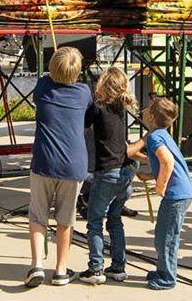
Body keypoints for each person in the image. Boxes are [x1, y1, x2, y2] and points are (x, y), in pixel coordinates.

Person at [24, 46, 91, 288]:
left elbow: (47, 81)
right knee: (66, 218)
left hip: (44, 160)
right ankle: (61, 269)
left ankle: (37, 265)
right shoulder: (84, 92)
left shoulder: (43, 88)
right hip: (74, 164)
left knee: (38, 214)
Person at [80, 67, 138, 285]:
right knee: (114, 219)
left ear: (103, 85)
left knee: (95, 220)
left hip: (107, 172)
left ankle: (96, 268)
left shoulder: (97, 108)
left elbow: (81, 132)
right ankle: (118, 266)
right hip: (125, 172)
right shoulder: (122, 108)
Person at [129, 97, 192, 290]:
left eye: (147, 108)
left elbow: (167, 162)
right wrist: (148, 176)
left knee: (166, 238)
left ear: (150, 116)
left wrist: (160, 186)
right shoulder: (162, 134)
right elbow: (163, 163)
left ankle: (167, 277)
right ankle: (163, 270)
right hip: (181, 192)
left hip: (175, 195)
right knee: (163, 235)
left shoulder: (156, 137)